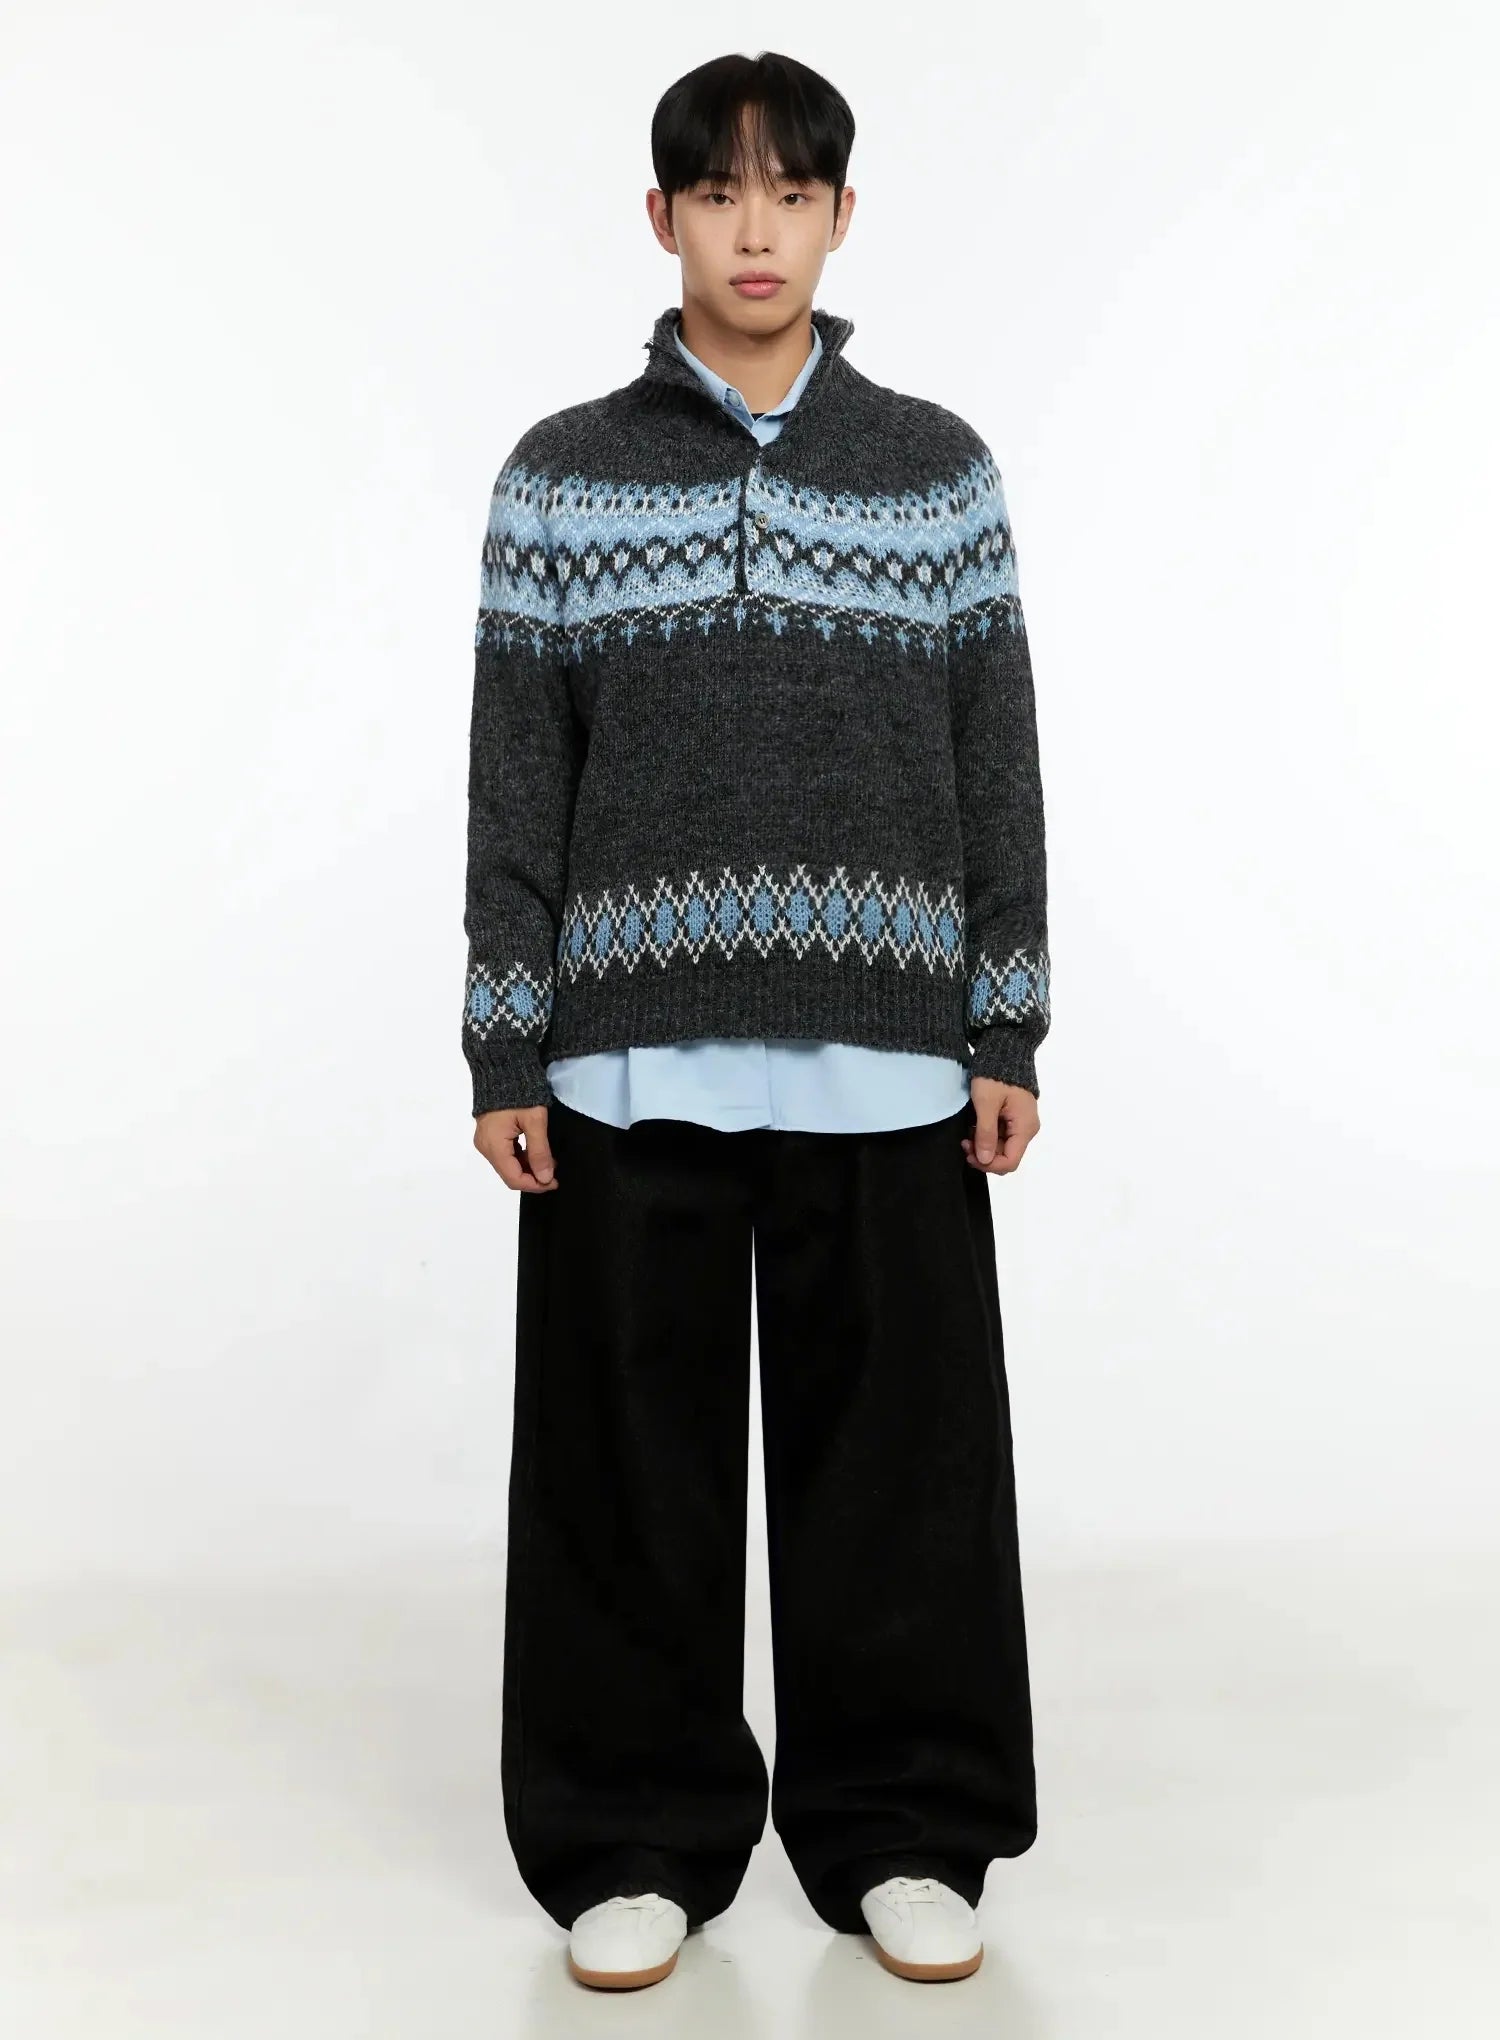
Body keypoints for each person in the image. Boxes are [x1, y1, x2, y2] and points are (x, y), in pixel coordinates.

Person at [461, 49, 1051, 1992]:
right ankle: (630, 1836)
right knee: (627, 1468)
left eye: (792, 192)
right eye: (718, 194)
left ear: (842, 216)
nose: (756, 231)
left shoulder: (936, 469)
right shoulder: (560, 473)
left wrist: (1006, 1023)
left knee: (903, 1472)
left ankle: (908, 1829)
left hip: (890, 1054)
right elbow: (516, 779)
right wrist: (504, 1042)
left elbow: (996, 762)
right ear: (662, 219)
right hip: (628, 1058)